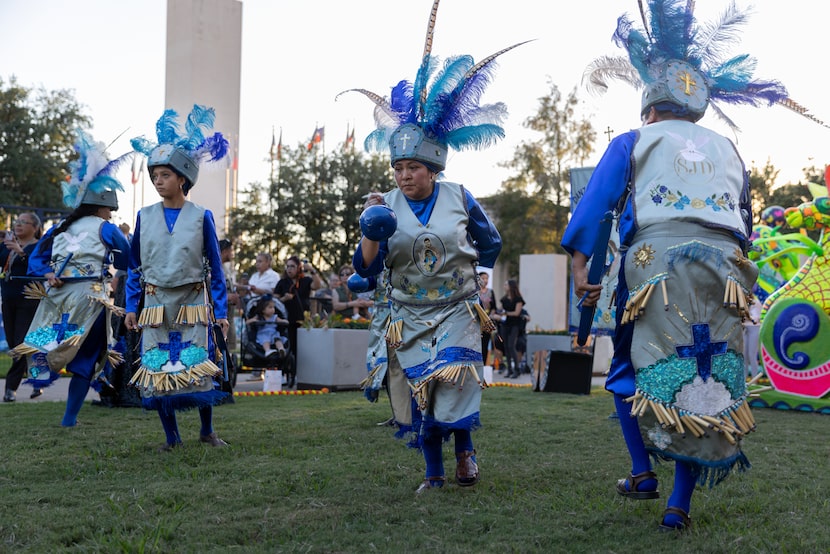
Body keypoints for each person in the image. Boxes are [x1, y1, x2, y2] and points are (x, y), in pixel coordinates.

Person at [566, 0, 788, 530]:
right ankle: (678, 504)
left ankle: (643, 472)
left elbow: (595, 206)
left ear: (649, 105)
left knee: (628, 368)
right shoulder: (730, 150)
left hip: (654, 265)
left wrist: (581, 267)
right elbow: (746, 224)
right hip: (726, 270)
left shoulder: (633, 140)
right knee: (705, 368)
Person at [349, 2, 516, 492]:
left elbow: (491, 241)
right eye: (399, 167)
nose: (404, 175)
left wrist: (478, 275)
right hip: (410, 313)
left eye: (413, 168)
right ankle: (433, 472)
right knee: (421, 391)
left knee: (457, 381)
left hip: (458, 308)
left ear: (433, 168)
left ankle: (465, 453)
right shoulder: (383, 205)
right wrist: (369, 231)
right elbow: (364, 266)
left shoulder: (459, 195)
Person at [125, 105, 231, 451]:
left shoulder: (202, 216)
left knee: (198, 363)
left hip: (193, 303)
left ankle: (207, 431)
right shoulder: (144, 215)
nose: (158, 181)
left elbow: (215, 267)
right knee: (158, 366)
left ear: (182, 178)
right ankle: (171, 438)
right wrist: (131, 305)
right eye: (154, 175)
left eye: (165, 175)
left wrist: (221, 311)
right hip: (156, 303)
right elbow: (134, 265)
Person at [10, 131, 131, 426]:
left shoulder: (60, 228)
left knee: (48, 343)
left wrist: (49, 273)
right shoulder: (106, 228)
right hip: (91, 298)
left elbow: (37, 257)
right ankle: (69, 418)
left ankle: (42, 385)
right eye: (110, 209)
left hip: (57, 297)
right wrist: (114, 257)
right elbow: (128, 258)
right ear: (103, 206)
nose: (111, 214)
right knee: (85, 359)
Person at [1, 213, 43, 402]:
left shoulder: (39, 246)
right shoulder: (7, 246)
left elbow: (39, 269)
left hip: (29, 299)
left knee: (19, 344)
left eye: (23, 222)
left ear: (34, 227)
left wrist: (20, 252)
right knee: (14, 343)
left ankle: (10, 388)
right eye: (16, 222)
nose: (18, 225)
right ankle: (38, 380)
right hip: (9, 298)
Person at [274, 255, 321, 387]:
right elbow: (275, 302)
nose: (289, 269)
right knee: (289, 347)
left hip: (301, 320)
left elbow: (317, 285)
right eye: (287, 266)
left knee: (301, 349)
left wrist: (312, 270)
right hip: (286, 320)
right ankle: (285, 373)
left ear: (299, 268)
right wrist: (285, 299)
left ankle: (300, 374)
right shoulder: (282, 283)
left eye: (292, 266)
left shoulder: (305, 280)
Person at [497, 279, 525, 379]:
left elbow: (517, 313)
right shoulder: (504, 299)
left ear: (511, 286)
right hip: (505, 324)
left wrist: (506, 313)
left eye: (506, 284)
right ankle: (509, 370)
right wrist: (497, 313)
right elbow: (499, 309)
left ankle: (516, 369)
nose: (504, 286)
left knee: (511, 345)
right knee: (506, 346)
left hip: (515, 325)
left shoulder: (518, 299)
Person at [245, 294, 288, 359]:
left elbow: (282, 321)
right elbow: (247, 322)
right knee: (266, 340)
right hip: (263, 333)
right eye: (270, 307)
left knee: (278, 339)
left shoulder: (275, 317)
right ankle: (267, 351)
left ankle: (281, 349)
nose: (273, 309)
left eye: (273, 307)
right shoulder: (259, 317)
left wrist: (284, 321)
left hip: (273, 333)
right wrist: (254, 320)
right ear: (263, 310)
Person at [477, 271, 497, 366]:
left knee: (485, 344)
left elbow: (494, 307)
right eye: (483, 278)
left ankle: (484, 364)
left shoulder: (490, 292)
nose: (485, 280)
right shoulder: (475, 292)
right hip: (477, 321)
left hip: (487, 321)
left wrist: (490, 316)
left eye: (487, 278)